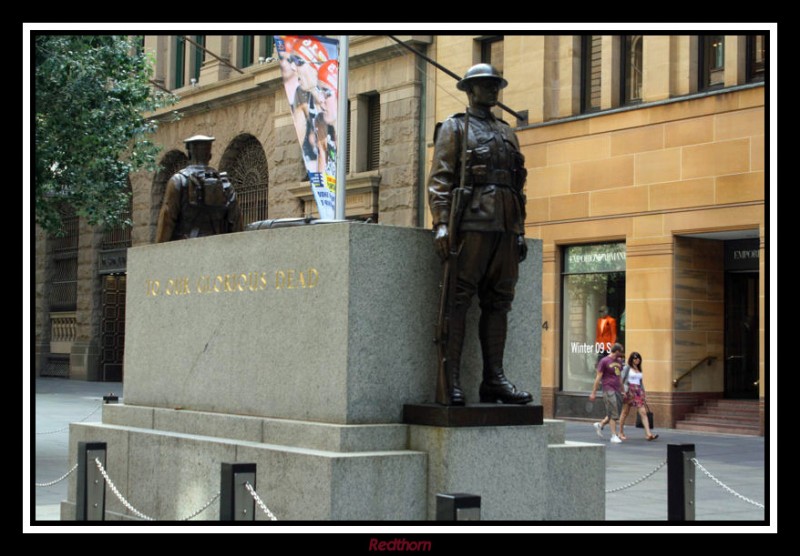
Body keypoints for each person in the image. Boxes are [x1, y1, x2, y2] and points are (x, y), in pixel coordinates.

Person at [428, 63, 531, 406]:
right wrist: (441, 222)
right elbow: (441, 179)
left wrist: (519, 230)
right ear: (470, 90)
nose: (491, 90)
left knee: (499, 302)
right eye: (484, 85)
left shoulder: (507, 132)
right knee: (458, 301)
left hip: (506, 225)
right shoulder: (455, 128)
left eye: (494, 85)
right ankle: (452, 381)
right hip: (472, 223)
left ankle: (494, 380)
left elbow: (518, 185)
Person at [155, 135, 243, 242]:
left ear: (189, 154)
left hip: (185, 248)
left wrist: (158, 251)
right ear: (210, 155)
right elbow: (235, 222)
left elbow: (167, 220)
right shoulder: (225, 183)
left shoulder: (178, 180)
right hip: (217, 247)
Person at [589, 343, 625, 443]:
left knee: (614, 412)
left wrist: (623, 390)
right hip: (608, 389)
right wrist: (593, 392)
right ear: (617, 351)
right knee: (613, 412)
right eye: (620, 352)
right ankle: (613, 435)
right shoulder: (604, 361)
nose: (621, 354)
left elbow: (620, 377)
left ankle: (600, 425)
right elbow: (598, 377)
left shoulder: (619, 361)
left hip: (617, 389)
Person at [619, 352, 658, 441]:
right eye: (635, 358)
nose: (637, 360)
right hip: (629, 390)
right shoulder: (627, 368)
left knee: (643, 412)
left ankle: (648, 434)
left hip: (638, 392)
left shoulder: (639, 369)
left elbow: (641, 382)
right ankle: (620, 432)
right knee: (625, 412)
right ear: (631, 359)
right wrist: (622, 391)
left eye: (638, 358)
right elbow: (621, 379)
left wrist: (644, 393)